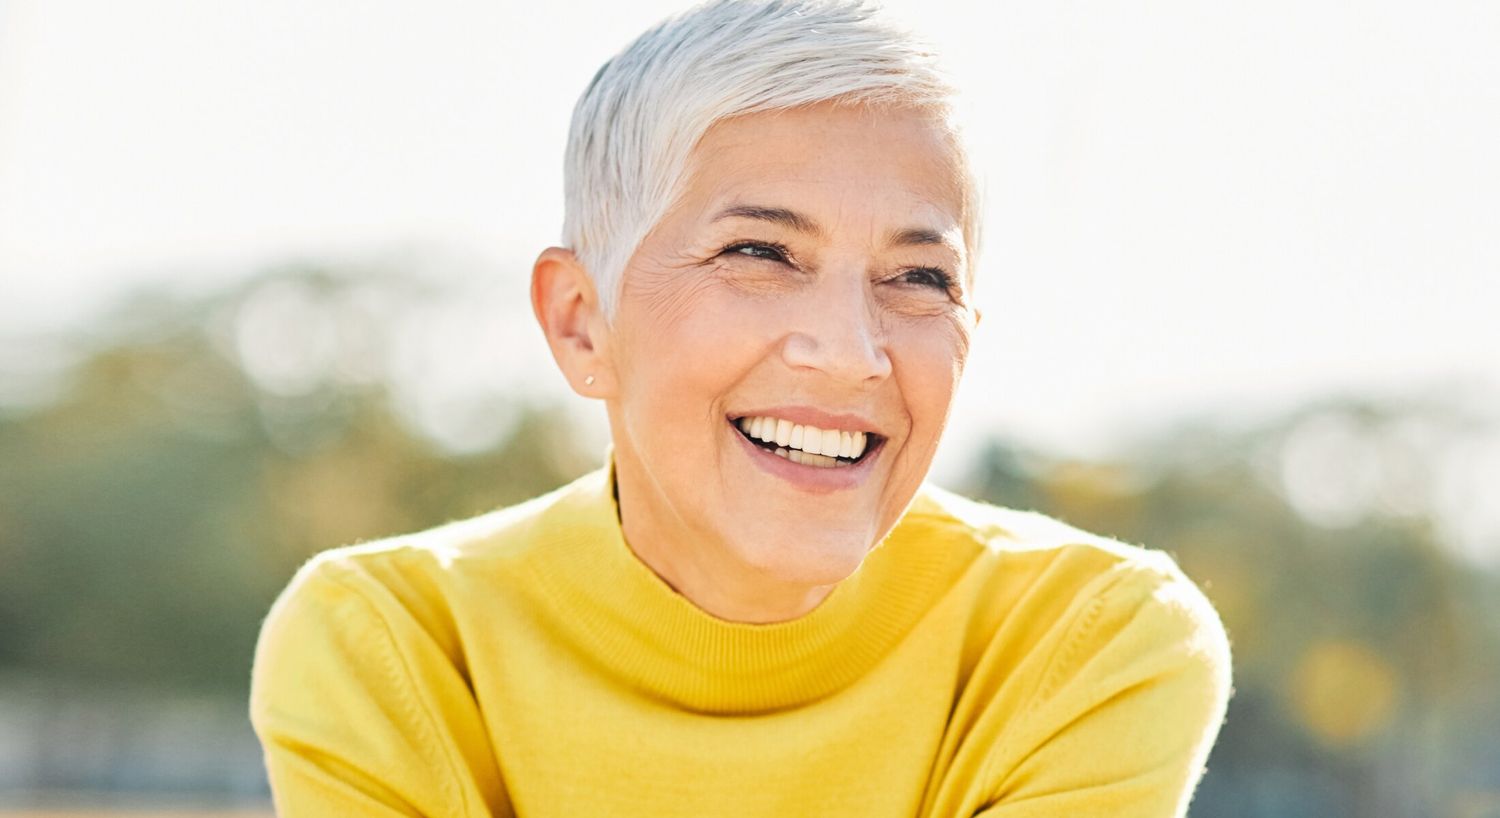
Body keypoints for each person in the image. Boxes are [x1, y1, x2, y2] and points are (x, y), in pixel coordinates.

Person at [248, 1, 1234, 815]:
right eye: (759, 254)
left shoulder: (1088, 640)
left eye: (919, 275)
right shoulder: (395, 643)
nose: (850, 351)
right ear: (582, 322)